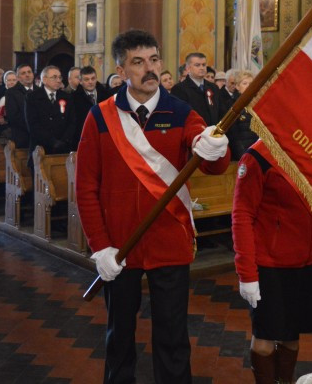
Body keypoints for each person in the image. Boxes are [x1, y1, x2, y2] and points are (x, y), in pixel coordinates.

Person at [76, 29, 230, 384]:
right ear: (121, 70)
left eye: (154, 60)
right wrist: (100, 246)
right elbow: (85, 188)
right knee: (118, 337)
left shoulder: (181, 112)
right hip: (120, 246)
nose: (149, 69)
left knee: (173, 337)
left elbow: (213, 163)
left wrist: (214, 148)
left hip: (169, 241)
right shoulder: (100, 117)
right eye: (138, 62)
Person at [233, 139, 312, 384]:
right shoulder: (258, 156)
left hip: (307, 263)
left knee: (291, 337)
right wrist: (247, 273)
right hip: (269, 265)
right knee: (264, 342)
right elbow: (242, 215)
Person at [25, 66, 74, 154]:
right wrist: (52, 141)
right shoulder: (32, 97)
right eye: (54, 77)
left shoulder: (66, 97)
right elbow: (33, 124)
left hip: (63, 147)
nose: (58, 80)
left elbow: (72, 122)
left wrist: (64, 140)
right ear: (44, 79)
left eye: (60, 77)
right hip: (41, 148)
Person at [171, 52, 225, 126]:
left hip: (213, 130)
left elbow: (221, 112)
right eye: (197, 65)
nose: (202, 68)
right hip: (193, 130)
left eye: (204, 65)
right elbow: (179, 116)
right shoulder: (179, 89)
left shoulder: (213, 87)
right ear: (188, 68)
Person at [70, 66, 108, 149]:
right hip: (84, 138)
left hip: (103, 137)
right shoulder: (74, 98)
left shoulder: (106, 95)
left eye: (93, 78)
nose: (90, 82)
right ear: (80, 81)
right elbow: (74, 122)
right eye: (86, 79)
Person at [4, 64, 37, 148]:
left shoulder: (40, 91)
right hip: (22, 137)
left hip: (40, 137)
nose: (27, 75)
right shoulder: (11, 92)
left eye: (29, 72)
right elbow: (13, 117)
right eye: (23, 73)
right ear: (18, 78)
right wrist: (33, 127)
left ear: (33, 75)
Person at [227, 70, 258, 160]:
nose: (248, 86)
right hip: (242, 152)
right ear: (237, 86)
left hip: (257, 148)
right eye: (245, 83)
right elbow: (233, 134)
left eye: (251, 83)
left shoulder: (258, 102)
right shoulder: (233, 105)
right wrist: (242, 155)